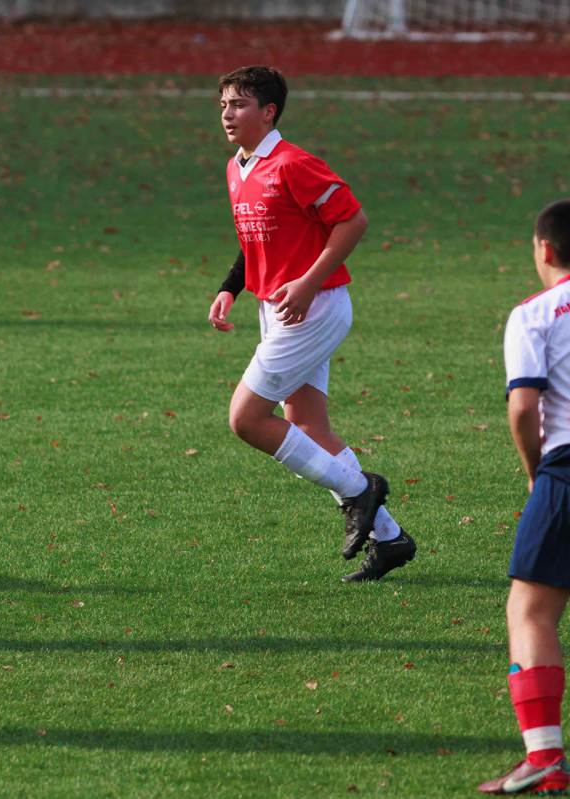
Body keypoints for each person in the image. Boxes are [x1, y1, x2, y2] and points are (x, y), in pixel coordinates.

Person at [206, 65, 414, 582]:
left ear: (268, 112)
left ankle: (359, 490)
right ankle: (390, 539)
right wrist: (231, 287)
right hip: (278, 308)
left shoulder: (294, 164)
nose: (228, 114)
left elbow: (353, 220)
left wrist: (306, 282)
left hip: (314, 306)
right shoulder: (238, 167)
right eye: (224, 104)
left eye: (239, 104)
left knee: (246, 419)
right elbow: (257, 239)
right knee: (308, 427)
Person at [478, 199, 570, 795]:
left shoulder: (534, 315)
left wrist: (536, 472)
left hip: (566, 470)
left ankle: (544, 758)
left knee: (531, 611)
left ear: (545, 248)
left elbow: (523, 406)